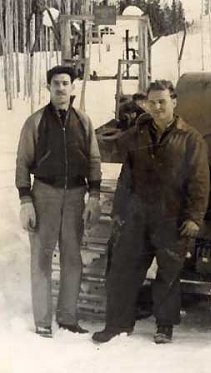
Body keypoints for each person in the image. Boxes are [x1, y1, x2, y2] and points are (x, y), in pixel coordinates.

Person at [92, 80, 210, 344]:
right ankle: (117, 324)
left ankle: (164, 325)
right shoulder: (137, 135)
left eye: (162, 102)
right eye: (152, 102)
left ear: (174, 102)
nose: (157, 107)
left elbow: (200, 182)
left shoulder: (190, 139)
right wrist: (118, 212)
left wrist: (194, 217)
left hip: (172, 215)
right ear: (146, 104)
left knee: (168, 272)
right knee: (123, 268)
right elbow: (126, 177)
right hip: (137, 215)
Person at [15, 65, 102, 338]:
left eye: (66, 83)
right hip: (45, 195)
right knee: (41, 257)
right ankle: (43, 321)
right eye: (56, 83)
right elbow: (22, 163)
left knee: (72, 257)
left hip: (76, 196)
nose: (61, 88)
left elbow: (95, 160)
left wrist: (95, 196)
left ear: (72, 87)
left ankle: (67, 317)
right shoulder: (35, 121)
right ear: (48, 88)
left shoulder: (84, 121)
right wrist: (26, 200)